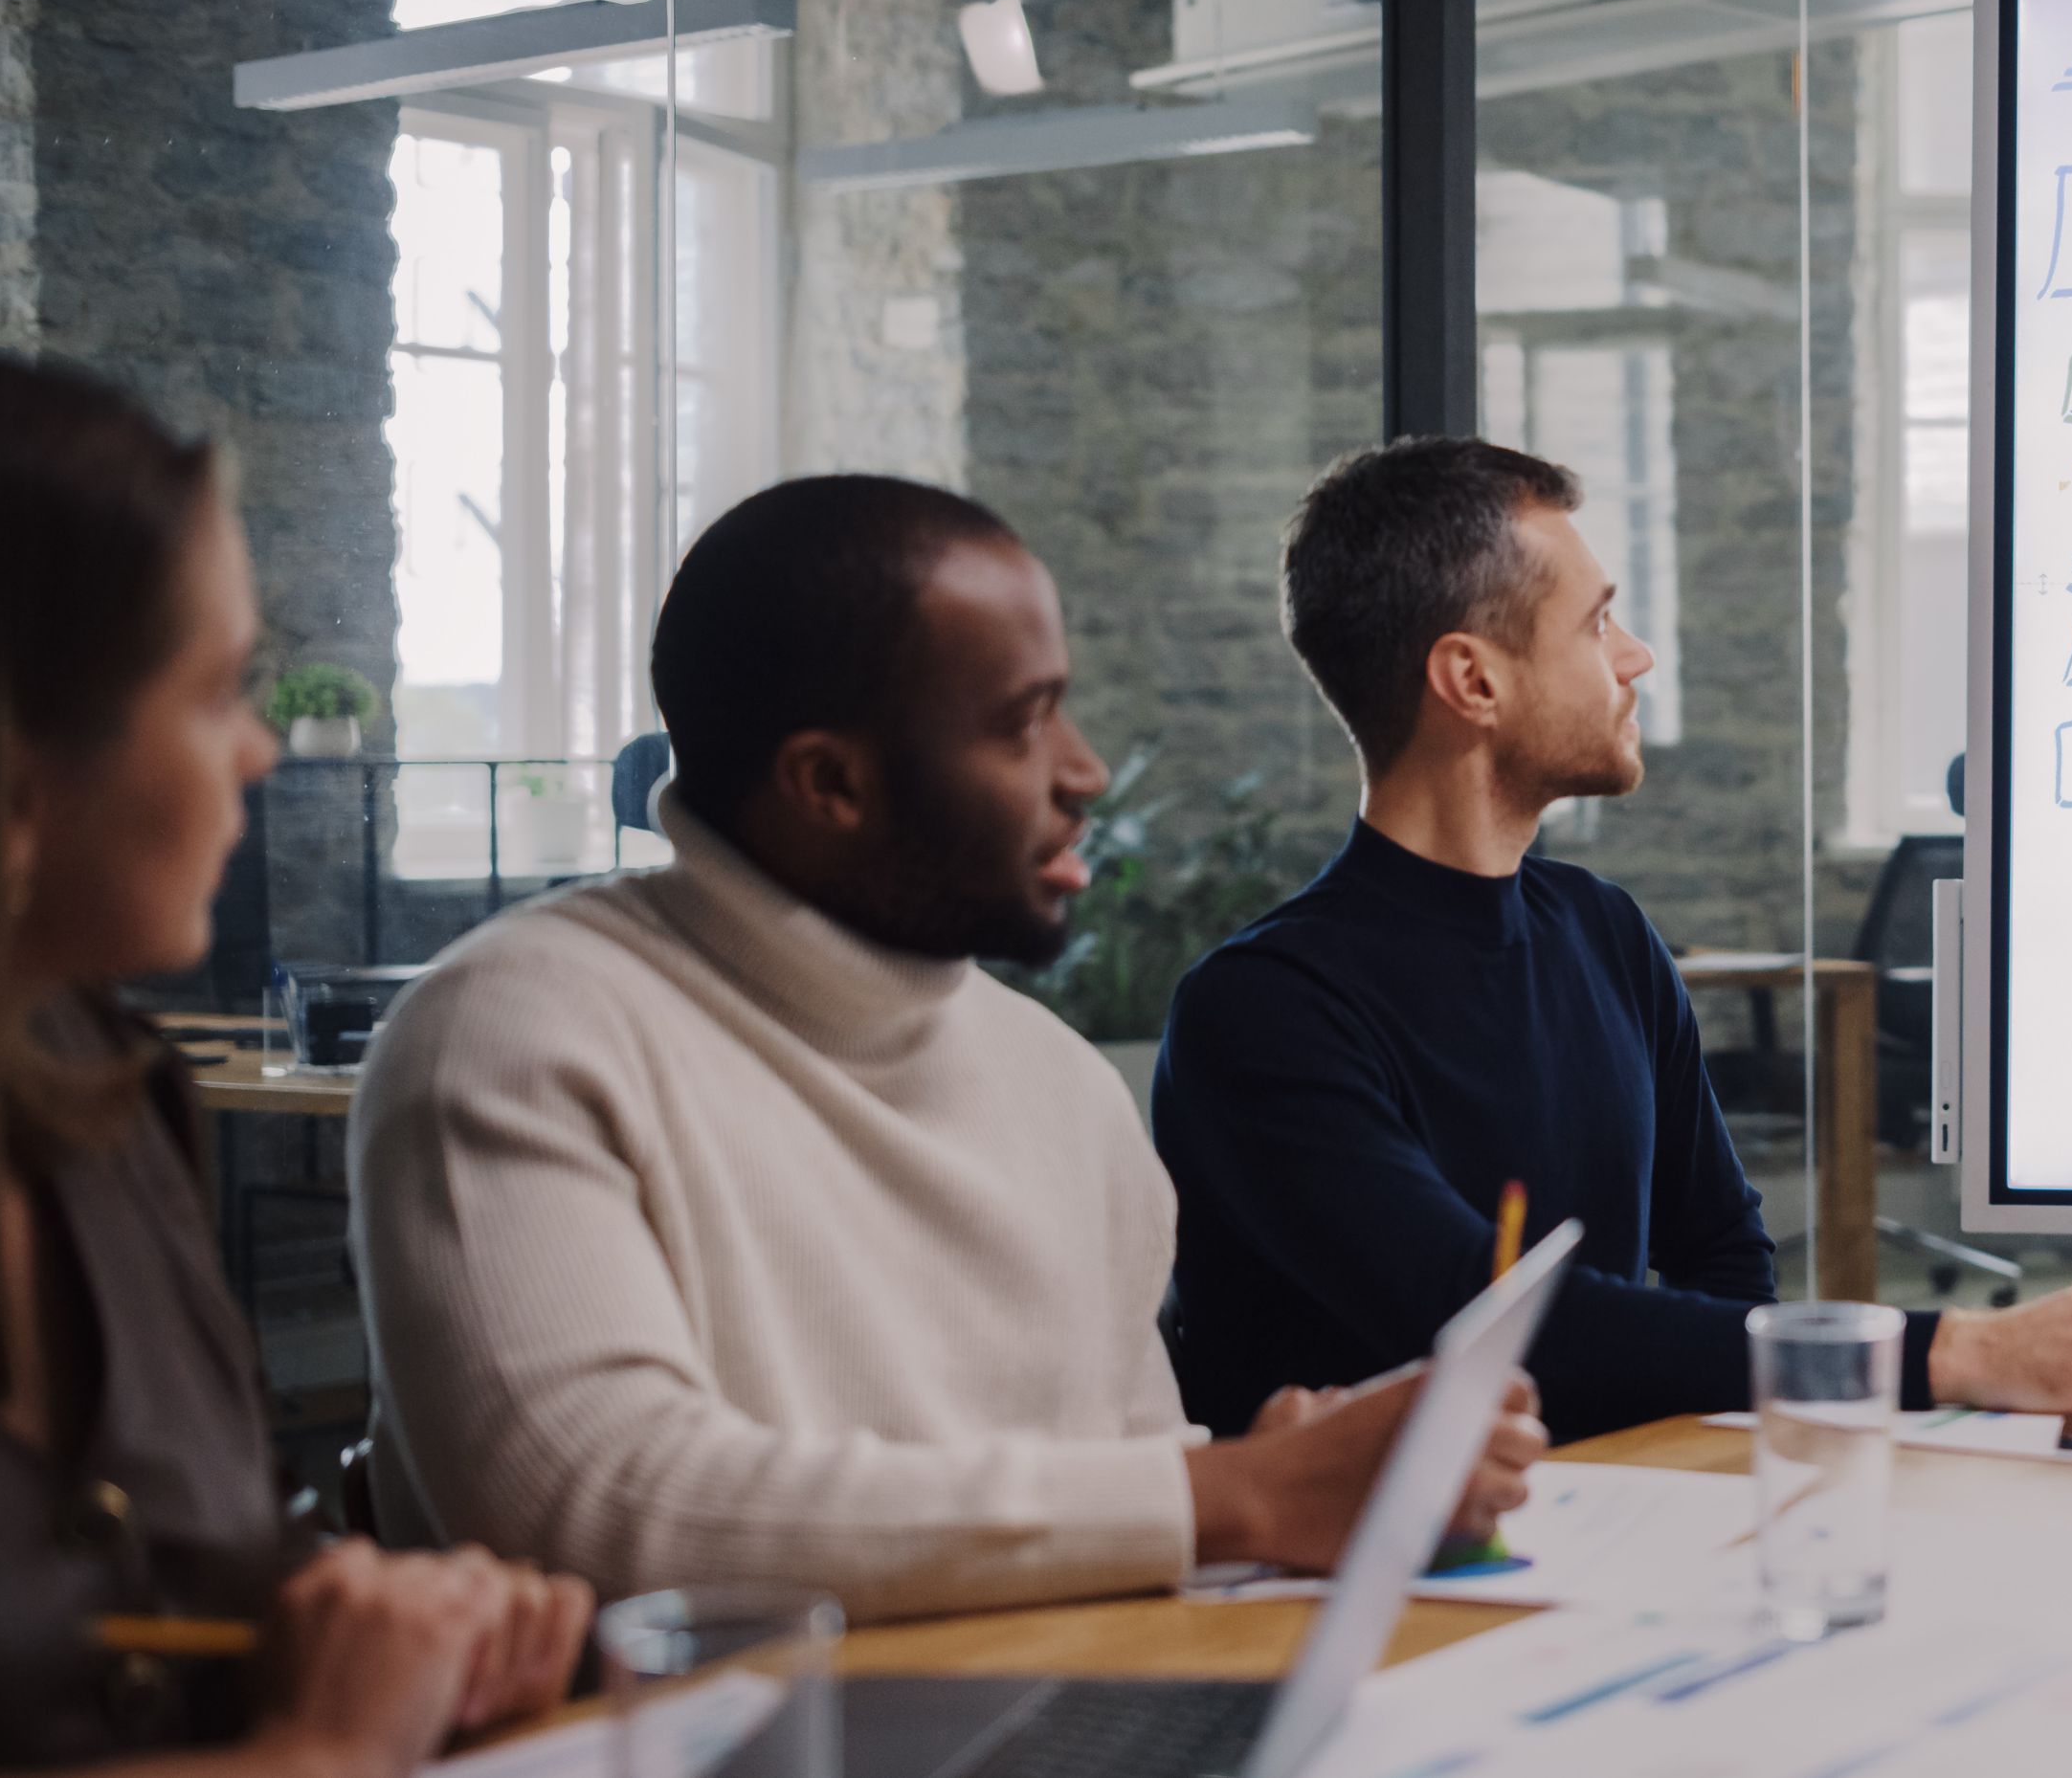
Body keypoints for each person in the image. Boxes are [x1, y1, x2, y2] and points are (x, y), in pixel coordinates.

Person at [350, 476, 1543, 1623]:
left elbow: (1125, 1509)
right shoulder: (516, 1031)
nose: (1082, 772)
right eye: (1022, 725)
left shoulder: (1060, 1084)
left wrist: (1268, 1479)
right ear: (830, 784)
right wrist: (1235, 1493)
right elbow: (597, 1506)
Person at [1150, 437, 2072, 1444]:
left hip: (1629, 1516)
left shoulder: (1606, 932)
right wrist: (1957, 1352)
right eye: (1595, 623)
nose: (1633, 658)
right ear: (1472, 680)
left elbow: (1728, 1265)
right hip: (1371, 1603)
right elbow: (1491, 1323)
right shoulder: (1263, 1014)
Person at [0, 340, 590, 1770]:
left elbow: (223, 1575)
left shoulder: (114, 1095)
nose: (264, 754)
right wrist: (314, 1752)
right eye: (219, 692)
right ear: (9, 778)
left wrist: (387, 1622)